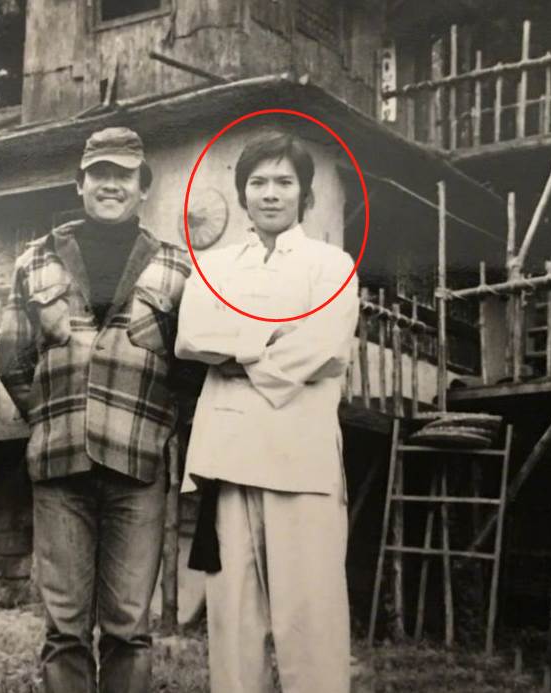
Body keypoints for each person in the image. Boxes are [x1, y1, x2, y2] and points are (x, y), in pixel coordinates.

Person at [0, 126, 193, 693]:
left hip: (139, 468)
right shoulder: (34, 261)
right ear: (79, 184)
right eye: (99, 174)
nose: (111, 184)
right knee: (64, 628)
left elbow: (189, 370)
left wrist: (156, 427)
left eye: (123, 175)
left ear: (143, 187)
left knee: (129, 627)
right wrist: (52, 420)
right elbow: (12, 362)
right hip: (59, 467)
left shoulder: (177, 268)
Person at [175, 130, 359, 693]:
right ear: (243, 193)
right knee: (233, 622)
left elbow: (325, 347)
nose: (271, 194)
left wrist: (238, 353)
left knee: (310, 620)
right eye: (258, 182)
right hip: (228, 456)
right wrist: (274, 340)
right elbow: (192, 336)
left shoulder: (332, 265)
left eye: (284, 182)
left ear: (304, 193)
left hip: (301, 459)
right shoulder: (215, 266)